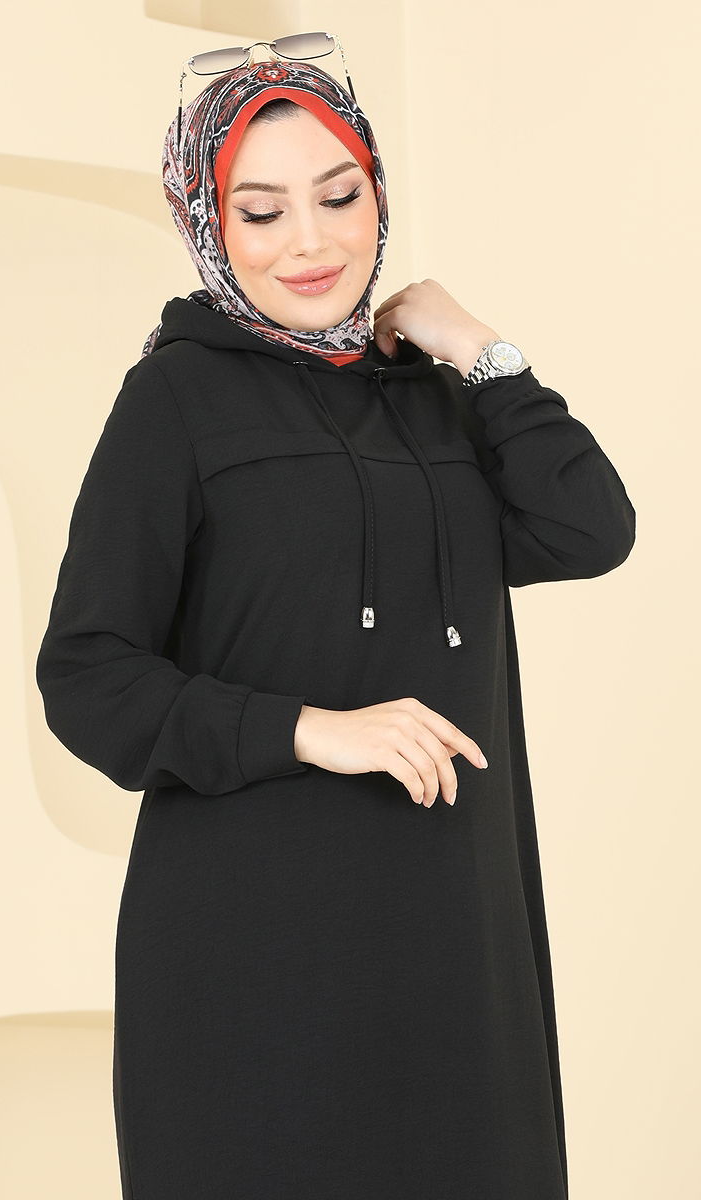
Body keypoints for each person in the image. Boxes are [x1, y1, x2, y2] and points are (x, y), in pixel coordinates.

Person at [35, 52, 636, 1200]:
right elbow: (88, 676)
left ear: (376, 192)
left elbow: (588, 530)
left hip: (456, 943)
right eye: (259, 211)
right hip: (257, 954)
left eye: (338, 194)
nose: (308, 242)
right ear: (206, 222)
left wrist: (482, 353)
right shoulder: (175, 400)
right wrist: (309, 729)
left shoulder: (437, 397)